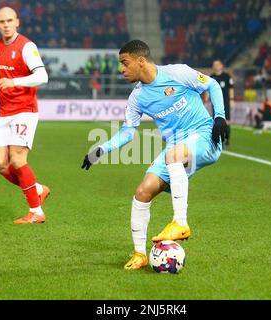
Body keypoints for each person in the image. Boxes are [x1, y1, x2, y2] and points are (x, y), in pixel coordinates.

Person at [81, 40, 228, 270]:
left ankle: (180, 222)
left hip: (205, 136)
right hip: (177, 147)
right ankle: (139, 254)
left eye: (125, 63)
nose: (121, 69)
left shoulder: (177, 73)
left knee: (173, 156)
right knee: (143, 191)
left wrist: (219, 117)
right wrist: (101, 150)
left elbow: (213, 85)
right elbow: (128, 132)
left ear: (141, 61)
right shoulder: (137, 98)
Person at [0, 7, 50, 224]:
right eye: (2, 22)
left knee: (18, 161)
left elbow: (42, 76)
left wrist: (15, 82)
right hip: (5, 112)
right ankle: (38, 188)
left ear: (17, 22)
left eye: (10, 20)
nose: (6, 25)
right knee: (0, 165)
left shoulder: (27, 47)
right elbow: (2, 74)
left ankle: (36, 212)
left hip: (24, 111)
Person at [210, 60, 234, 147]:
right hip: (215, 103)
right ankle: (220, 140)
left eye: (217, 64)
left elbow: (231, 88)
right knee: (217, 121)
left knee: (227, 121)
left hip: (225, 102)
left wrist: (231, 99)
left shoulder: (226, 76)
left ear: (221, 66)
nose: (215, 66)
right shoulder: (211, 77)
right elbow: (207, 90)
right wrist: (206, 100)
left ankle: (227, 139)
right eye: (214, 65)